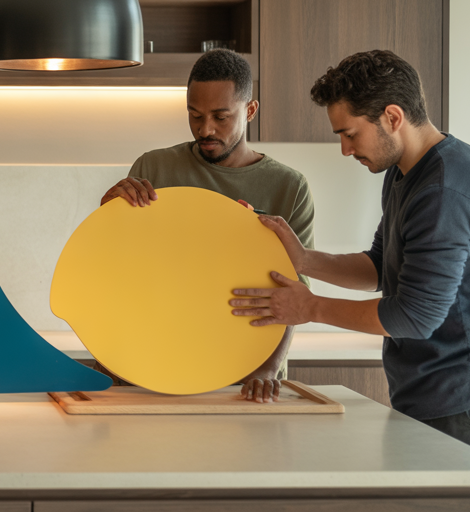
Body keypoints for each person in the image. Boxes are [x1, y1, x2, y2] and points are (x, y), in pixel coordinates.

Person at [230, 50, 470, 508]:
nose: (345, 149)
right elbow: (381, 266)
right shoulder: (405, 172)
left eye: (350, 134)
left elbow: (415, 316)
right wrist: (305, 259)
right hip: (444, 394)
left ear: (392, 117)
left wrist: (309, 307)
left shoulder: (444, 190)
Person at [99, 49, 317, 403]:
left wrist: (269, 368)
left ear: (250, 110)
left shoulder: (289, 187)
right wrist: (107, 217)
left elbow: (295, 294)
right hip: (156, 365)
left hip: (248, 377)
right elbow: (119, 268)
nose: (206, 129)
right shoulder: (154, 168)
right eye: (194, 115)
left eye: (221, 116)